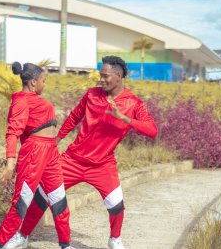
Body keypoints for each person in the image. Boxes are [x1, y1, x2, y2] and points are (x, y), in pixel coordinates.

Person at [9, 56, 158, 249]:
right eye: (100, 76)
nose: (101, 80)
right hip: (72, 159)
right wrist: (56, 140)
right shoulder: (92, 95)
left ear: (119, 76)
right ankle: (22, 236)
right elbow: (73, 118)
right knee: (42, 195)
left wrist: (124, 118)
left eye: (105, 76)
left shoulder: (134, 104)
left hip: (103, 165)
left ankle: (115, 240)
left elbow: (152, 130)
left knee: (116, 205)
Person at [0, 62, 73, 249]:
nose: (45, 84)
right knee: (21, 202)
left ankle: (66, 245)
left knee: (59, 199)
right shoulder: (21, 101)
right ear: (33, 82)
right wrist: (10, 165)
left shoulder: (35, 99)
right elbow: (13, 133)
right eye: (44, 81)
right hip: (35, 153)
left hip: (51, 152)